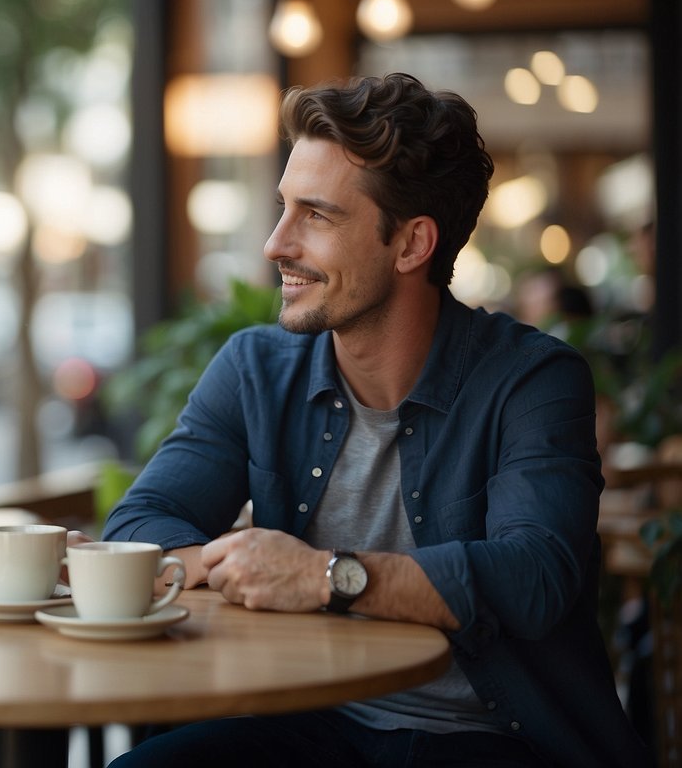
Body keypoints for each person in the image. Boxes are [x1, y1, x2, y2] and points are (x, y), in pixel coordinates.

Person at [103, 73, 651, 767]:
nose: (275, 244)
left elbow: (535, 576)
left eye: (316, 216)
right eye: (281, 208)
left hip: (486, 739)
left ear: (411, 244)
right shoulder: (255, 369)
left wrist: (326, 577)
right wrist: (250, 567)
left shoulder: (532, 379)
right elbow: (138, 525)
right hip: (308, 722)